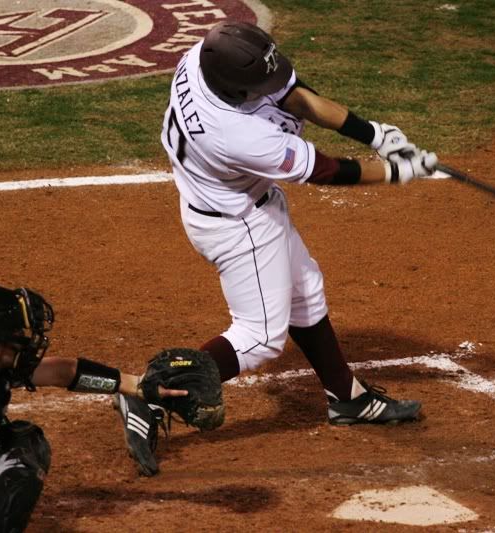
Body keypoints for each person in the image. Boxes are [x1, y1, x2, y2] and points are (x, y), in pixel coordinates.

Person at [116, 20, 438, 473]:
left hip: (232, 203)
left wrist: (374, 134)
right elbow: (324, 171)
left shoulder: (201, 58)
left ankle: (346, 397)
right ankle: (148, 393)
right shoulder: (236, 134)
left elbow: (292, 93)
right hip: (238, 225)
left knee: (306, 292)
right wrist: (395, 172)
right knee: (261, 337)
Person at [0, 285, 185, 531]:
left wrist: (135, 385)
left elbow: (63, 372)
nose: (26, 342)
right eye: (17, 334)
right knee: (18, 456)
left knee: (19, 443)